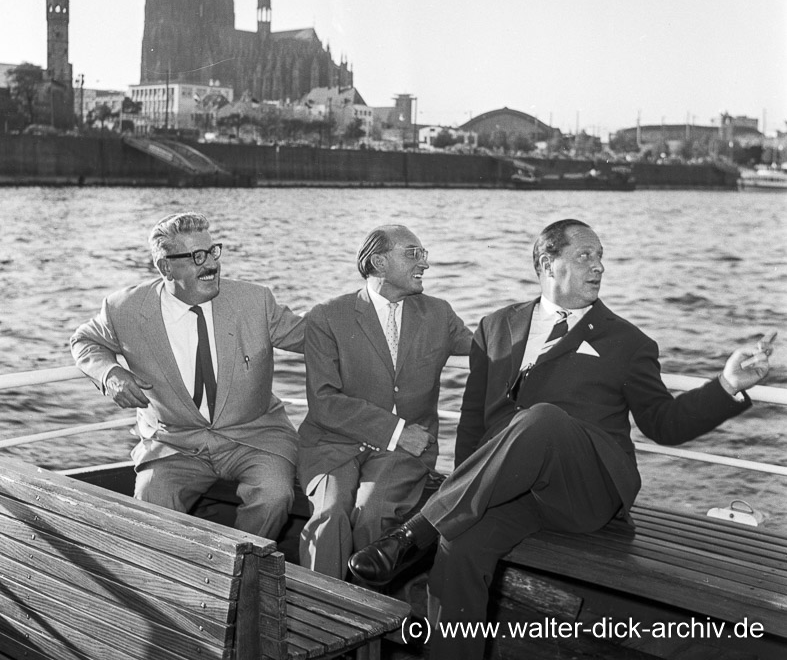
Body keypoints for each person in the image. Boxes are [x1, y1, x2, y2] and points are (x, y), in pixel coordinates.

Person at [349, 218, 774, 660]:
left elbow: (664, 424)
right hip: (513, 488)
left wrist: (726, 385)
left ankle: (412, 534)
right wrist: (465, 481)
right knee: (460, 547)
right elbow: (474, 422)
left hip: (586, 489)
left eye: (601, 257)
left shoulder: (629, 341)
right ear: (548, 263)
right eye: (585, 256)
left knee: (544, 419)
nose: (599, 267)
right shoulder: (495, 326)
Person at [71, 212, 305, 539]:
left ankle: (243, 566)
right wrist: (111, 374)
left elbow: (313, 336)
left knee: (275, 495)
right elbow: (85, 341)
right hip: (175, 443)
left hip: (254, 437)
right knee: (151, 500)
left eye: (213, 251)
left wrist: (375, 311)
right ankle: (173, 578)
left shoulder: (255, 300)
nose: (211, 264)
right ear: (165, 267)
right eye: (197, 257)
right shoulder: (123, 308)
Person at [297, 224, 473, 578]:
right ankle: (321, 612)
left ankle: (365, 619)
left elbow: (489, 347)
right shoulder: (327, 317)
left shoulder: (439, 313)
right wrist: (395, 430)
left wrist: (547, 328)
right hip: (333, 444)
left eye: (424, 254)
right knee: (329, 516)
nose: (424, 263)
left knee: (373, 513)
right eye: (413, 253)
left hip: (404, 452)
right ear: (378, 261)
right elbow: (324, 402)